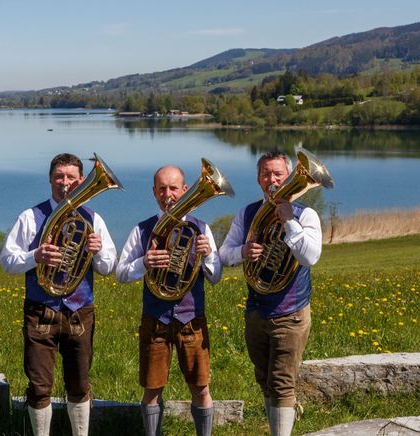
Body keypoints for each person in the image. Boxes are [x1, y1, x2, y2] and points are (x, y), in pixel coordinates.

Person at [0, 153, 117, 436]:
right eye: (59, 177)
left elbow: (109, 267)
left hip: (80, 311)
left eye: (72, 178)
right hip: (41, 310)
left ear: (81, 181)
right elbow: (7, 261)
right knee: (39, 386)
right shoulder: (30, 217)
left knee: (79, 383)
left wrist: (96, 249)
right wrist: (35, 256)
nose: (65, 183)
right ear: (50, 179)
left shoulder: (93, 219)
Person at [218, 150, 323, 436]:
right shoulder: (248, 214)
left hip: (291, 313)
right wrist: (243, 251)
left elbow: (311, 256)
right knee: (264, 379)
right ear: (258, 179)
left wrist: (289, 221)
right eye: (266, 174)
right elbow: (224, 255)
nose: (272, 179)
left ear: (288, 177)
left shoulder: (306, 214)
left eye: (278, 174)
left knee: (281, 382)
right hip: (256, 309)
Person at [116, 165, 222, 436]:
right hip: (156, 319)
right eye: (162, 189)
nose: (168, 195)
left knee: (201, 387)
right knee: (152, 388)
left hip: (191, 319)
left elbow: (216, 276)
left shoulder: (201, 228)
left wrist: (208, 254)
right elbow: (120, 273)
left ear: (185, 190)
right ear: (153, 192)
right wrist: (144, 262)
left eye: (173, 188)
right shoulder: (142, 230)